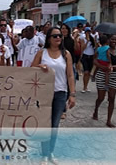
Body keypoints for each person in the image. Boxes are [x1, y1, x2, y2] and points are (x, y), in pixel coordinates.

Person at [30, 26, 76, 164]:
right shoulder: (41, 53)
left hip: (60, 93)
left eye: (60, 36)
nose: (58, 38)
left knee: (55, 125)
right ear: (48, 39)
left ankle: (50, 152)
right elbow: (30, 70)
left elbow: (70, 75)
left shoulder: (66, 54)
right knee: (45, 124)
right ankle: (44, 154)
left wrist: (72, 94)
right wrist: (39, 67)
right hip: (44, 93)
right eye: (55, 36)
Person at [92, 34, 116, 127]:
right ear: (108, 40)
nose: (114, 41)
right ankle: (96, 110)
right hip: (102, 74)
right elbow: (94, 60)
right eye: (112, 39)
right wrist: (103, 67)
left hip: (114, 75)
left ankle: (109, 120)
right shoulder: (102, 50)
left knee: (112, 98)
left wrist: (112, 67)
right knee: (101, 97)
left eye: (115, 40)